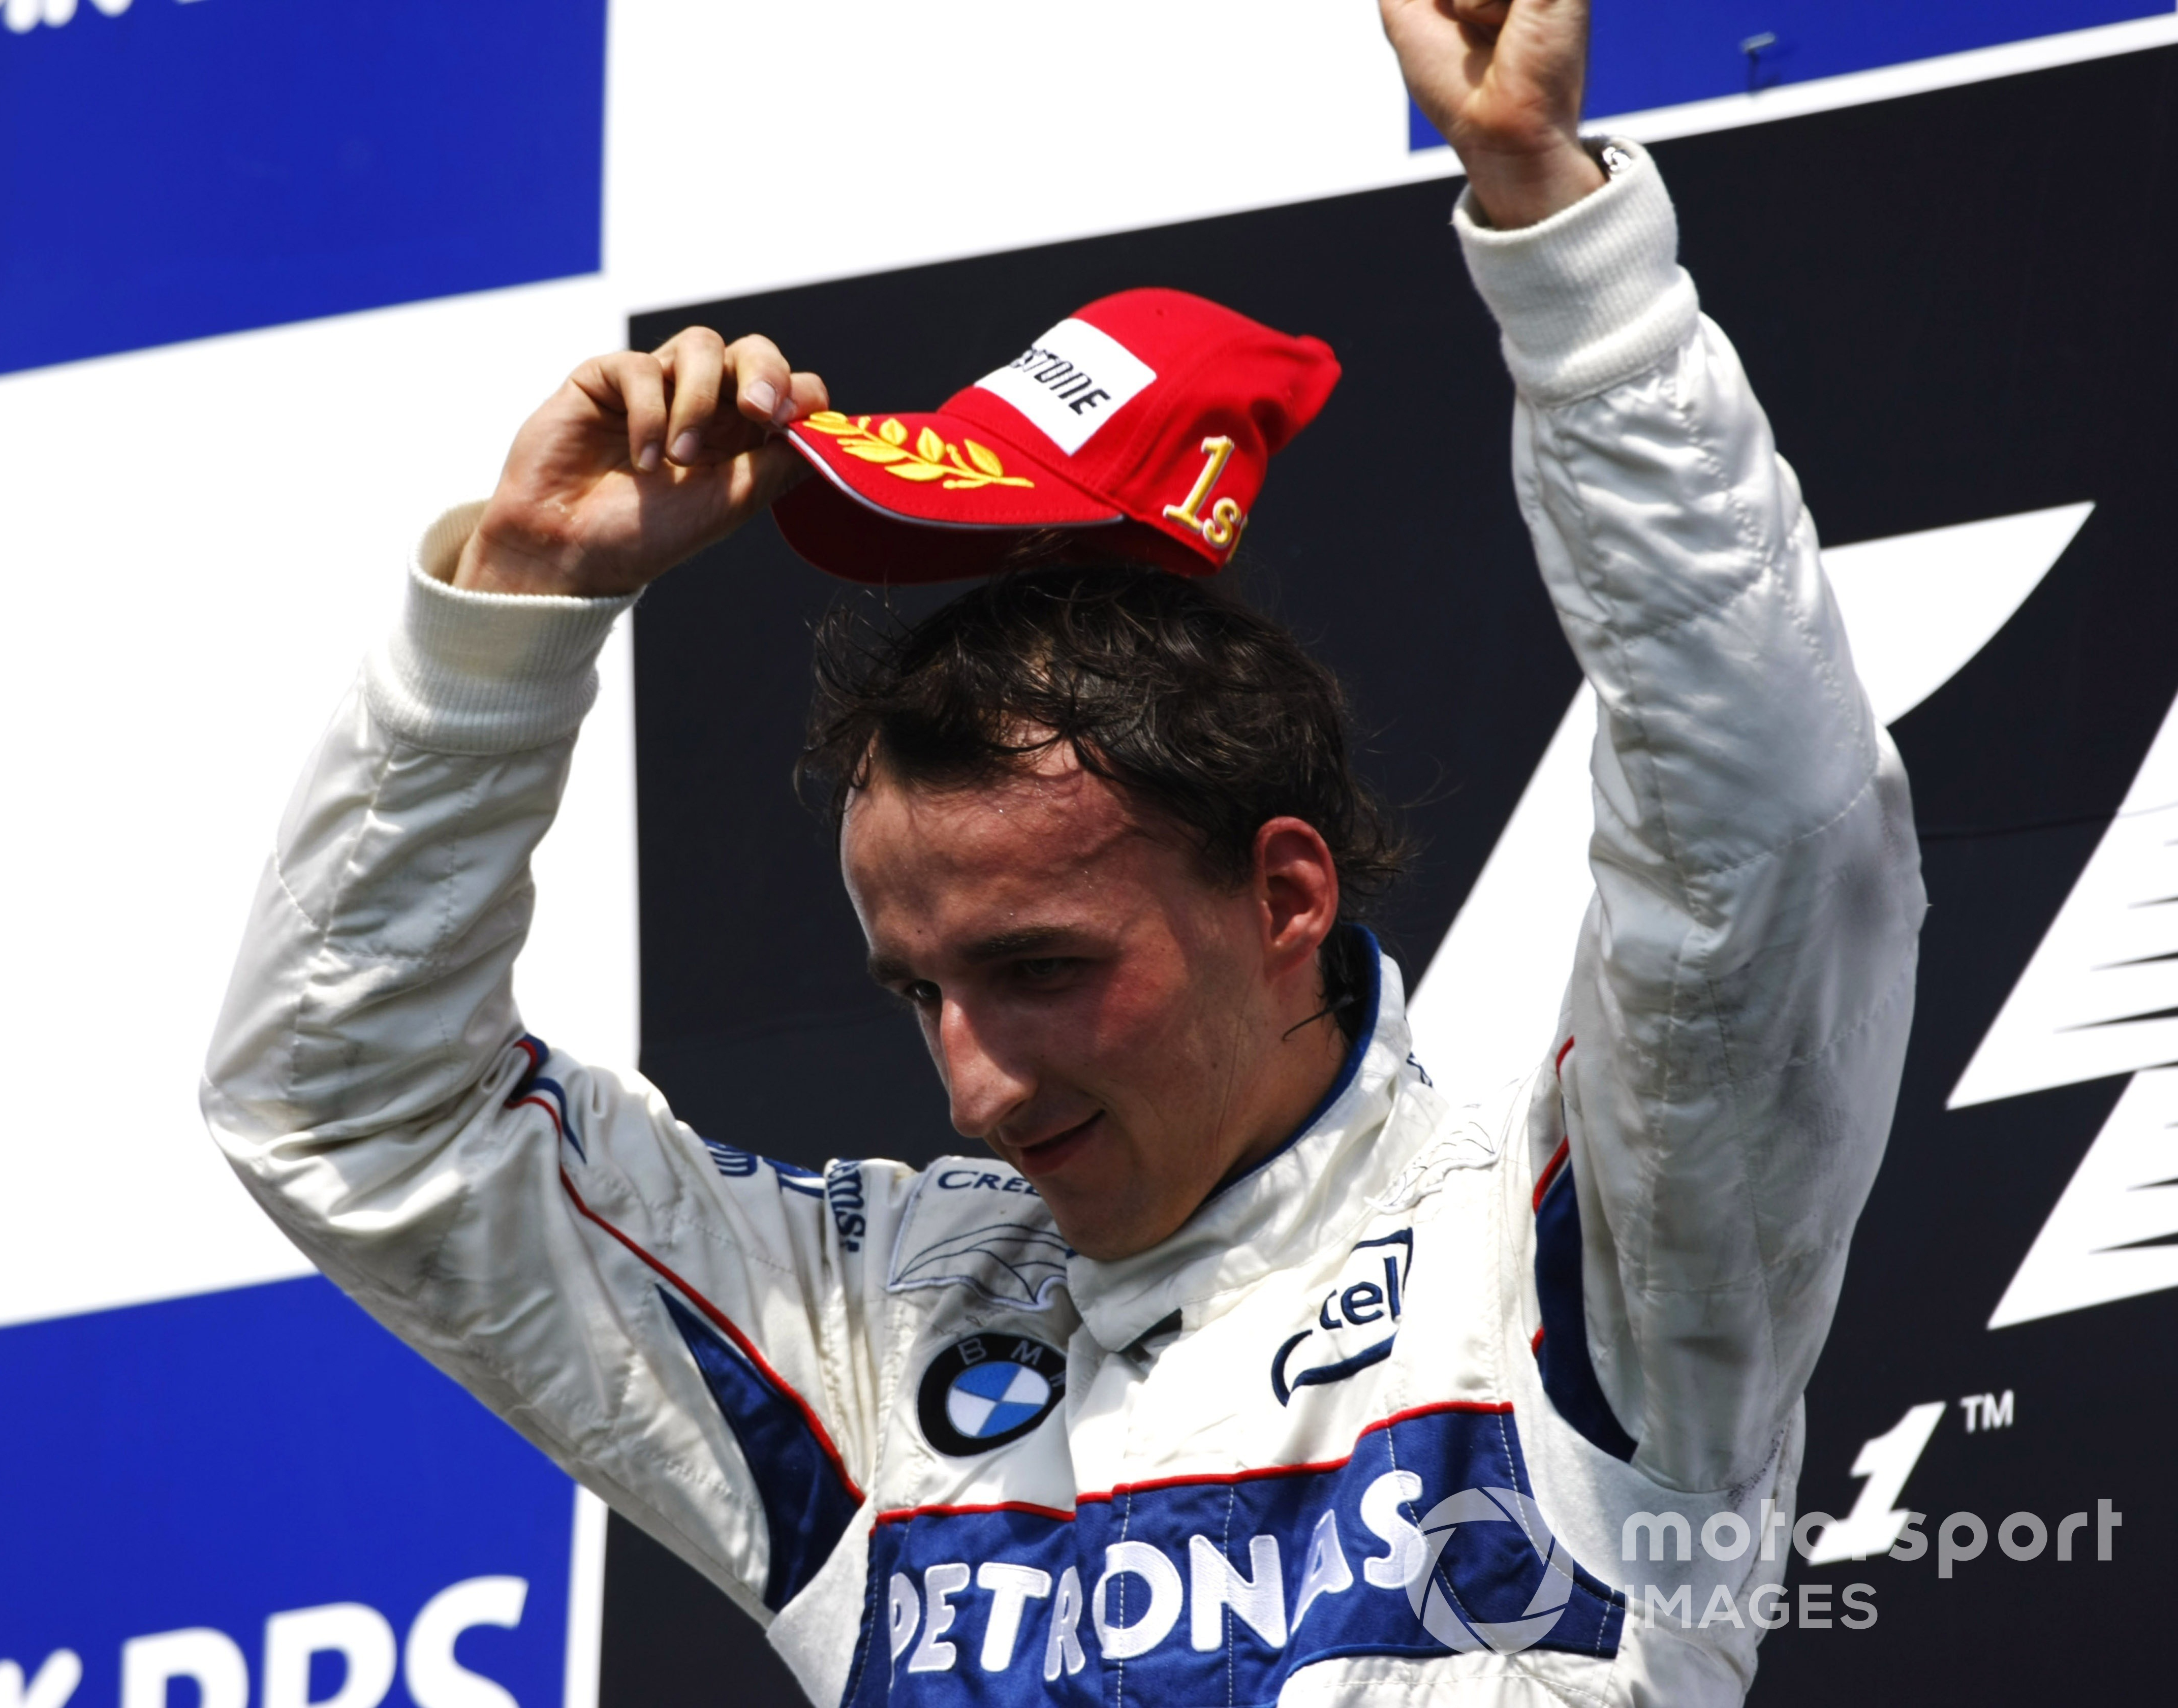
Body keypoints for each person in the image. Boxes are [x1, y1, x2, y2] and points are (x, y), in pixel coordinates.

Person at [202, 0, 1923, 1700]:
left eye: (1039, 970)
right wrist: (513, 608)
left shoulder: (1580, 1259)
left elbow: (1766, 844)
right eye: (919, 991)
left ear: (1282, 894)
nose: (975, 1089)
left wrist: (1567, 249)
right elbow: (350, 1106)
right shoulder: (872, 1330)